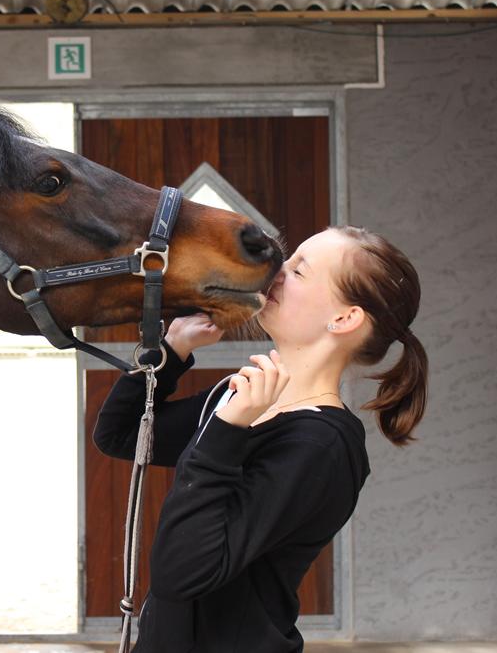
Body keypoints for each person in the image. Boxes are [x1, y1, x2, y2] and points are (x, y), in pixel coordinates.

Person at [94, 225, 429, 652]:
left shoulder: (322, 445)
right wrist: (169, 352)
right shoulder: (245, 399)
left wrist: (225, 433)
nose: (275, 271)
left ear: (344, 318)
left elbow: (182, 573)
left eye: (299, 271)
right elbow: (120, 435)